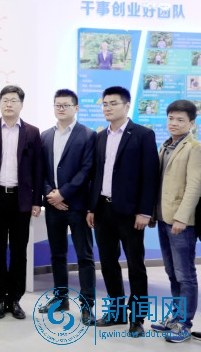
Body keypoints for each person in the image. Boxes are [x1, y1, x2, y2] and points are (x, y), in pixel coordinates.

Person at [86, 86, 159, 337]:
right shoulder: (100, 137)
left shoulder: (143, 135)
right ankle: (116, 312)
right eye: (104, 104)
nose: (107, 108)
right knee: (108, 264)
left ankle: (137, 318)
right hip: (103, 209)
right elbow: (96, 175)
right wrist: (91, 207)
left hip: (130, 213)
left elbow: (150, 176)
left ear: (127, 106)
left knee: (135, 267)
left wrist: (145, 211)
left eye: (113, 103)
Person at [0, 85, 43, 320]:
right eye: (5, 100)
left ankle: (15, 299)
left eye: (13, 100)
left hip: (21, 200)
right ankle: (0, 299)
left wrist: (37, 201)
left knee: (19, 251)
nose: (8, 104)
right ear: (0, 103)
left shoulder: (32, 132)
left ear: (21, 105)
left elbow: (38, 169)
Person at [39, 89, 96, 325]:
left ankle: (87, 304)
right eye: (57, 105)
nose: (61, 109)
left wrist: (63, 193)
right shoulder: (45, 135)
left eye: (66, 105)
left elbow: (87, 170)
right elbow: (40, 170)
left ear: (76, 108)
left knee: (84, 256)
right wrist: (50, 194)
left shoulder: (88, 135)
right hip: (53, 206)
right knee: (57, 254)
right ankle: (61, 298)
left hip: (78, 205)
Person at [150, 100, 201, 343]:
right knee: (172, 273)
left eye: (180, 119)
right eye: (171, 118)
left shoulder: (194, 148)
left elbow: (194, 186)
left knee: (185, 274)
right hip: (163, 218)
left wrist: (182, 217)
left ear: (191, 123)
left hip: (181, 222)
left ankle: (184, 325)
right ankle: (176, 318)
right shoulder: (165, 146)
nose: (174, 123)